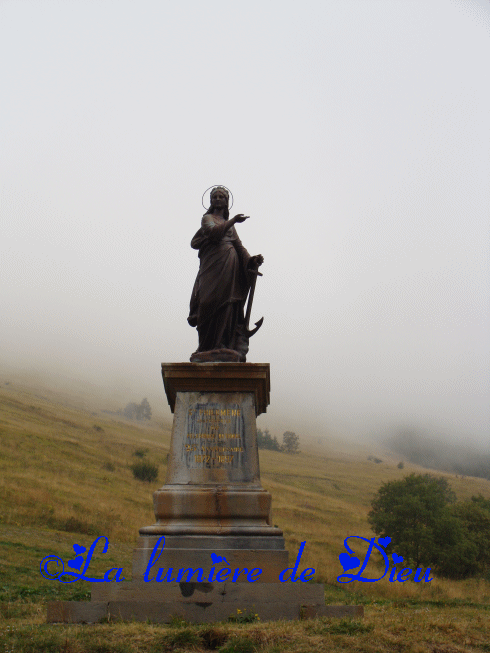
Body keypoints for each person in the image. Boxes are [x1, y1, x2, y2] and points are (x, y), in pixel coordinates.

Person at [188, 187, 263, 362]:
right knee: (207, 302)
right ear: (211, 201)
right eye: (215, 196)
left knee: (227, 303)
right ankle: (206, 347)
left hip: (230, 265)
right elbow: (214, 233)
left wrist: (251, 260)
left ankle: (222, 344)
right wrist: (233, 221)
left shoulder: (230, 229)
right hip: (211, 266)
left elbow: (239, 247)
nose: (218, 199)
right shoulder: (207, 219)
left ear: (226, 201)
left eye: (222, 196)